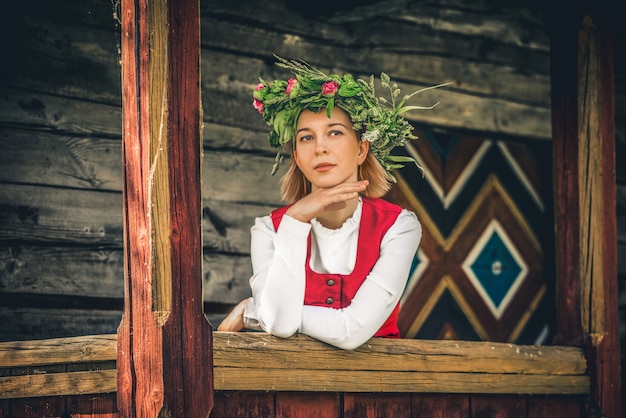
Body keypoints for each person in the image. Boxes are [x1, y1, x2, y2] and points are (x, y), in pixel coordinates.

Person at [218, 56, 446, 350]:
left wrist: (253, 312)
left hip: (380, 386)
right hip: (291, 385)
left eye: (335, 132)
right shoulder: (269, 230)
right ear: (297, 158)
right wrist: (296, 220)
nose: (320, 147)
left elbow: (351, 331)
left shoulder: (399, 227)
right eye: (306, 138)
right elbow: (281, 324)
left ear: (362, 149)